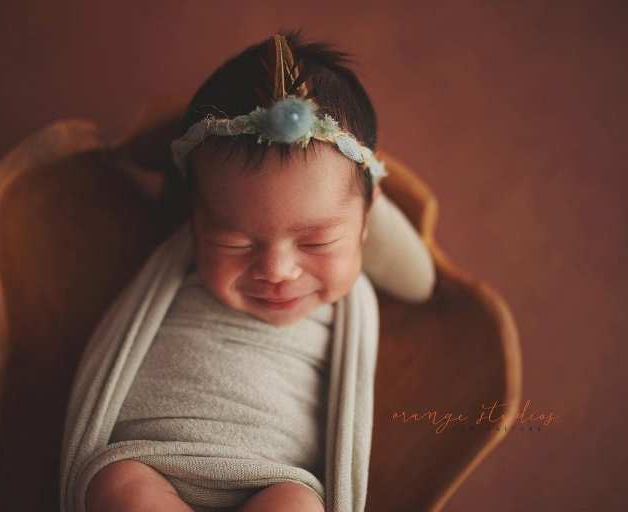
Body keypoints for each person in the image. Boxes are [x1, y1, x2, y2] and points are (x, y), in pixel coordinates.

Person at [71, 29, 434, 512]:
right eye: (235, 242)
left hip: (276, 481)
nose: (277, 270)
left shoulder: (349, 286)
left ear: (365, 224)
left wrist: (364, 192)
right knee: (119, 487)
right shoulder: (182, 253)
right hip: (149, 462)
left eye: (316, 240)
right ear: (196, 221)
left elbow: (419, 281)